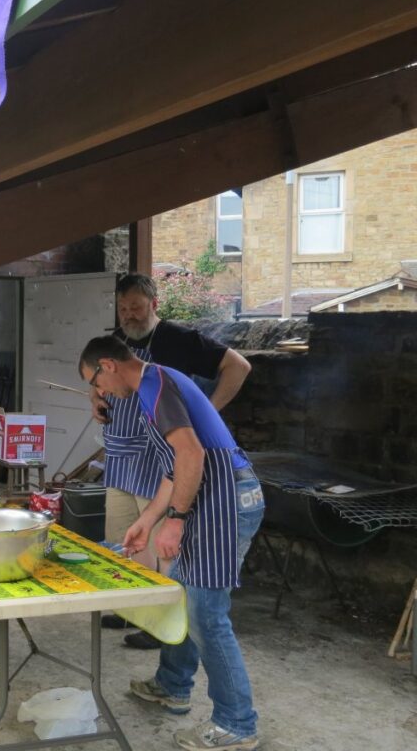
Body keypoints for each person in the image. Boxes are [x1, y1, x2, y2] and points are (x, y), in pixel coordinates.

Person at [79, 336, 263, 751]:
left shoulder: (154, 384)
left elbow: (193, 456)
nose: (100, 393)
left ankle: (237, 723)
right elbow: (173, 466)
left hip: (226, 501)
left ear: (107, 365)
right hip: (210, 496)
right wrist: (148, 520)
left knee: (206, 616)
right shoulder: (152, 384)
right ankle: (172, 685)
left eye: (95, 381)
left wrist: (175, 521)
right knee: (179, 598)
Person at [93, 274, 251, 649]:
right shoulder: (115, 344)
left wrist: (207, 413)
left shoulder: (179, 340)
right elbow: (98, 380)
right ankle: (134, 608)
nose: (129, 315)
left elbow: (239, 366)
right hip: (121, 458)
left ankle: (161, 625)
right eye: (123, 308)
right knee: (125, 540)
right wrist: (95, 401)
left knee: (162, 548)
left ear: (154, 304)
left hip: (162, 460)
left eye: (136, 306)